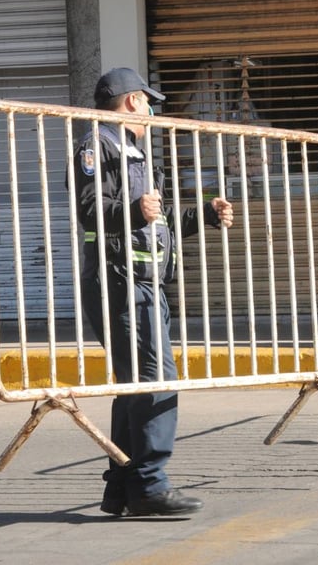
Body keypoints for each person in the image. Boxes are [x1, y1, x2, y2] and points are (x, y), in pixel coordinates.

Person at [74, 67, 234, 517]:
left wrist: (202, 214)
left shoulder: (135, 153)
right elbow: (91, 210)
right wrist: (132, 208)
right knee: (155, 381)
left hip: (145, 282)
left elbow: (154, 220)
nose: (151, 112)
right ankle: (150, 485)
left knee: (136, 386)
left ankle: (123, 486)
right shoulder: (97, 145)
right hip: (120, 281)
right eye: (148, 103)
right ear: (130, 102)